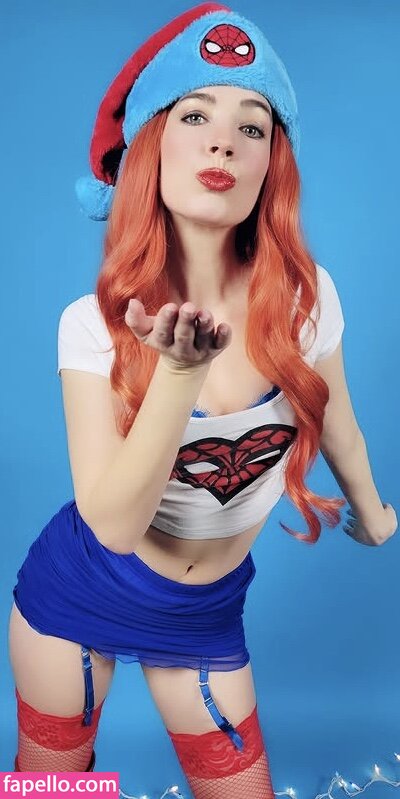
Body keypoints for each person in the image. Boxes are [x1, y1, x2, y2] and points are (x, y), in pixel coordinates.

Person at [8, 2, 397, 796]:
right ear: (150, 146)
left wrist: (374, 510)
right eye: (195, 115)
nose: (224, 141)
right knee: (55, 790)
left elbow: (340, 424)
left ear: (271, 165)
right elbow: (112, 526)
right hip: (77, 594)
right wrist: (177, 376)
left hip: (206, 613)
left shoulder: (308, 299)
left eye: (253, 125)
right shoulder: (89, 326)